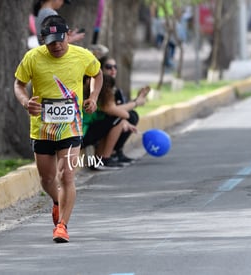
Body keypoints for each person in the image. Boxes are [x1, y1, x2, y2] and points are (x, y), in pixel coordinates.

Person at [13, 15, 103, 243]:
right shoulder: (32, 58)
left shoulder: (82, 55)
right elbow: (19, 84)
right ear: (43, 40)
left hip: (71, 127)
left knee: (66, 176)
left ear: (67, 34)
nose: (57, 45)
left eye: (60, 40)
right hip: (42, 128)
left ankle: (62, 225)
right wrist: (26, 102)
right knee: (47, 178)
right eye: (51, 42)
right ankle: (56, 201)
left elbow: (97, 74)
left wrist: (93, 96)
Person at [82, 74, 139, 170]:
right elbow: (125, 115)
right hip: (82, 135)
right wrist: (136, 103)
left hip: (83, 135)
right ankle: (105, 159)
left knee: (111, 122)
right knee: (117, 120)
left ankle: (99, 159)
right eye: (111, 89)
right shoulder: (101, 102)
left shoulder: (94, 98)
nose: (113, 91)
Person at [99, 56, 150, 164]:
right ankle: (107, 156)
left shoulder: (114, 88)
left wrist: (137, 100)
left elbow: (120, 108)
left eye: (115, 67)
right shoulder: (101, 87)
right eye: (108, 67)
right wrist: (135, 103)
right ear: (101, 69)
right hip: (93, 125)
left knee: (131, 116)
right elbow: (112, 110)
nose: (113, 70)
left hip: (106, 121)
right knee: (125, 117)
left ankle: (116, 151)